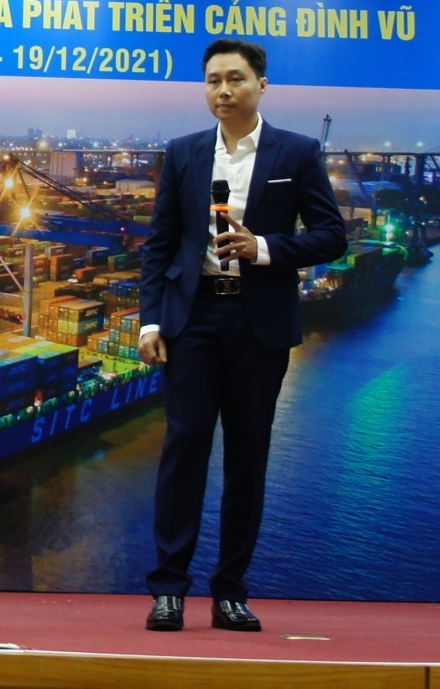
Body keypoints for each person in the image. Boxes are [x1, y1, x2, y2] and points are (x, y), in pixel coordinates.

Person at [137, 38, 347, 632]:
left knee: (247, 458)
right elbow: (159, 246)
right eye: (213, 81)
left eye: (235, 79)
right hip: (193, 320)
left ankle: (230, 591)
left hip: (259, 323)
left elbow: (332, 235)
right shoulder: (182, 153)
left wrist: (264, 248)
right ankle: (168, 589)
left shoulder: (298, 152)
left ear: (261, 85)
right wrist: (151, 321)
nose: (223, 91)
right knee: (183, 452)